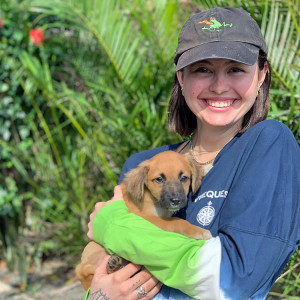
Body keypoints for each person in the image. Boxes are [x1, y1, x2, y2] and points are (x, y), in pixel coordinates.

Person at [83, 6, 300, 300]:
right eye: (203, 69)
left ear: (262, 75)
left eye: (235, 69)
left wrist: (113, 225)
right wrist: (98, 295)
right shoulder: (142, 165)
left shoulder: (270, 145)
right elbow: (105, 278)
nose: (220, 86)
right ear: (181, 78)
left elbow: (233, 280)